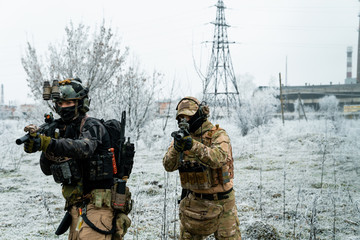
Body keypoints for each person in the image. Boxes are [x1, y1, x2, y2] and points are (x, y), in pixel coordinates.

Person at [22, 78, 131, 240]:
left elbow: (84, 148)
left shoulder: (92, 126)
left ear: (80, 103)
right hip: (76, 207)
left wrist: (50, 143)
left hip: (99, 205)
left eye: (69, 103)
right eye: (61, 104)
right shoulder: (59, 130)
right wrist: (44, 145)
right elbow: (46, 169)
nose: (64, 107)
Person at [163, 96, 241, 240]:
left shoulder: (217, 134)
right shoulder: (182, 138)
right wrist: (176, 148)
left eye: (188, 117)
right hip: (195, 201)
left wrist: (192, 145)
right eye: (181, 118)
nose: (184, 121)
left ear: (200, 114)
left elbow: (218, 158)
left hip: (222, 202)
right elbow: (168, 165)